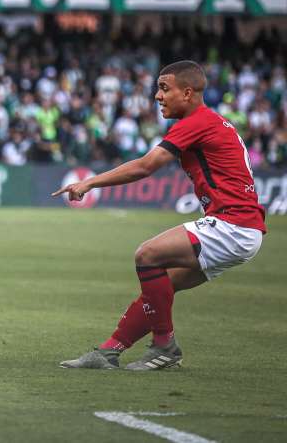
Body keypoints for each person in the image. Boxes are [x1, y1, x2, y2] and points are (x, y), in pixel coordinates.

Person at [54, 60, 265, 371]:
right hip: (243, 229)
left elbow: (145, 166)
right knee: (161, 286)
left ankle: (165, 346)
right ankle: (109, 351)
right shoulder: (211, 122)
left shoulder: (196, 122)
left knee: (147, 255)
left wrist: (89, 182)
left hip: (232, 224)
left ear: (189, 92)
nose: (157, 96)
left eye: (165, 88)